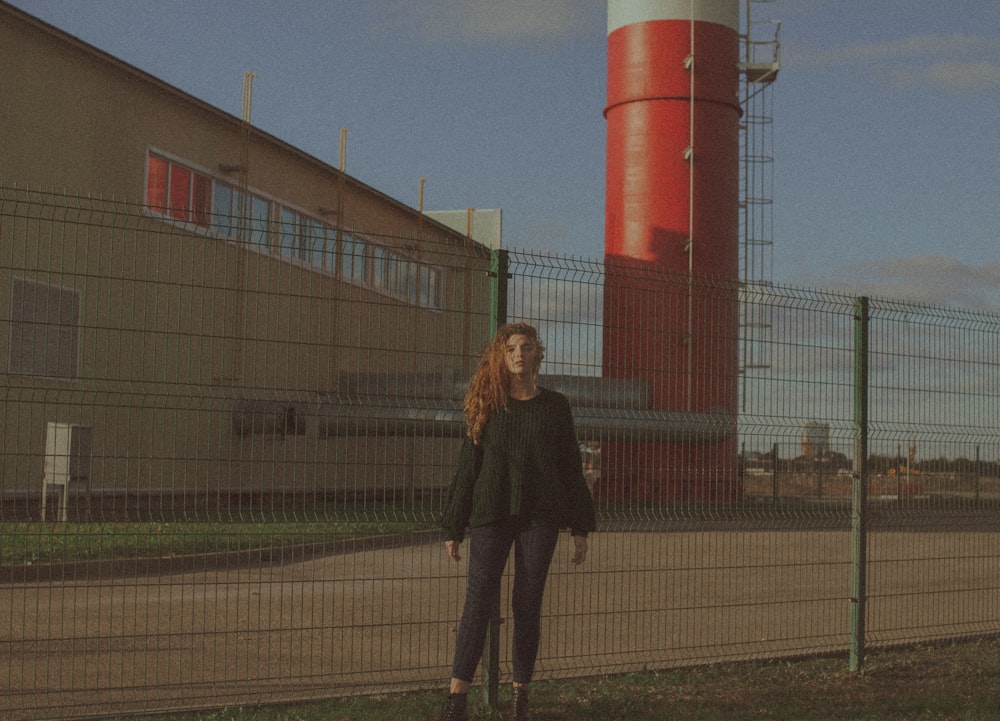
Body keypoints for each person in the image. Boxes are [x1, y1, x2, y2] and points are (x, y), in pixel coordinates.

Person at [439, 322, 596, 721]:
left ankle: (520, 700)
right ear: (502, 356)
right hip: (492, 513)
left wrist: (580, 525)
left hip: (540, 517)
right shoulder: (488, 402)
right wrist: (454, 525)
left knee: (527, 603)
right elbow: (467, 467)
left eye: (525, 347)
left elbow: (570, 468)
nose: (518, 354)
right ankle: (456, 701)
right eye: (511, 349)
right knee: (478, 601)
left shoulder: (556, 406)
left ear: (537, 355)